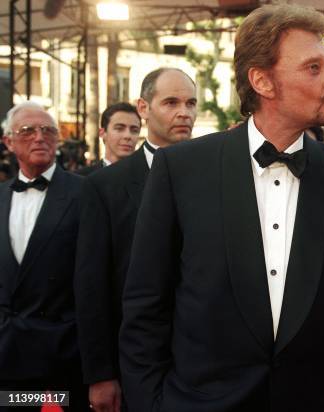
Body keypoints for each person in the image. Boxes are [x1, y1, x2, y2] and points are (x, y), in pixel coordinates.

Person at [118, 5, 324, 412]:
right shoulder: (182, 169)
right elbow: (145, 304)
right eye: (313, 68)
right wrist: (151, 402)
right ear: (263, 81)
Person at [74, 68, 197, 412]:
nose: (183, 112)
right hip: (134, 363)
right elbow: (92, 285)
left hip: (205, 363)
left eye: (190, 103)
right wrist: (100, 373)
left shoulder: (217, 176)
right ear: (144, 108)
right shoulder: (105, 187)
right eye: (171, 102)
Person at [0, 101, 87, 410]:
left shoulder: (86, 193)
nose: (39, 137)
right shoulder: (1, 197)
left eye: (48, 130)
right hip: (7, 358)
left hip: (61, 357)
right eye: (27, 131)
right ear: (9, 141)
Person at [77, 102, 141, 175]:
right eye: (119, 128)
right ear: (102, 133)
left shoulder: (149, 180)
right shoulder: (82, 178)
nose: (127, 136)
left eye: (134, 130)